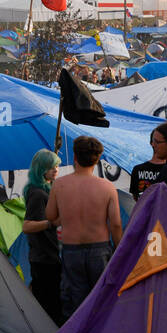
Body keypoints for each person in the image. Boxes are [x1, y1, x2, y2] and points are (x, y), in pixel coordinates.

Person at [45, 136, 123, 322]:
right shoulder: (107, 187)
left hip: (72, 251)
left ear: (75, 157)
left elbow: (50, 216)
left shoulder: (60, 185)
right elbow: (116, 224)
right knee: (102, 300)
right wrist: (119, 249)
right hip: (100, 249)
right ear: (97, 159)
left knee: (74, 305)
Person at [21, 149, 62, 324]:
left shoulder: (45, 188)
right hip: (44, 257)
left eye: (57, 166)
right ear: (41, 169)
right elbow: (27, 226)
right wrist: (51, 223)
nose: (56, 170)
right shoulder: (38, 193)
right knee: (49, 304)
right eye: (51, 167)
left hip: (48, 254)